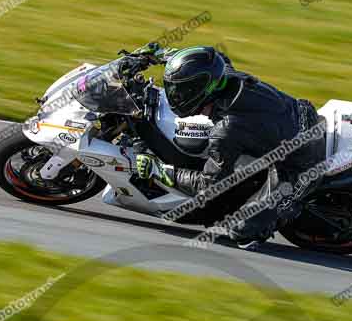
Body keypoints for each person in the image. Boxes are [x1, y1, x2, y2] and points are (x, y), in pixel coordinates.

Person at [135, 45, 325, 249]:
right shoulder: (223, 73)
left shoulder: (227, 130)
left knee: (241, 231)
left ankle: (288, 209)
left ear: (198, 89)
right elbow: (212, 58)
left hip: (302, 164)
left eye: (181, 89)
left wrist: (159, 170)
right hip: (300, 116)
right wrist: (165, 55)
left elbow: (208, 186)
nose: (175, 93)